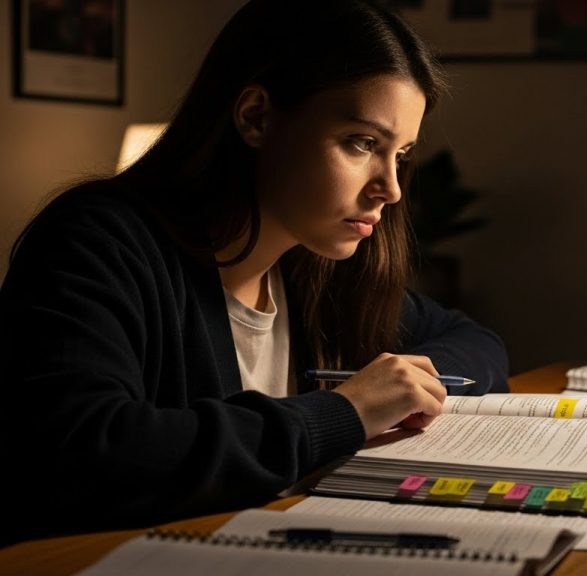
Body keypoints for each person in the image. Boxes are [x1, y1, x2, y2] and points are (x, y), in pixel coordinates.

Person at [0, 0, 508, 544]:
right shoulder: (99, 242)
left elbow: (476, 342)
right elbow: (86, 453)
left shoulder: (315, 266)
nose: (391, 188)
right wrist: (343, 413)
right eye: (363, 143)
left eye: (400, 155)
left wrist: (408, 385)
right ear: (256, 117)